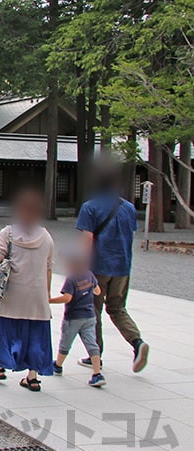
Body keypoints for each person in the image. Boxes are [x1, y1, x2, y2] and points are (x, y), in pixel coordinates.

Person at [76, 157, 148, 372]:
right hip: (123, 266)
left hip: (99, 266)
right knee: (117, 308)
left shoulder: (90, 207)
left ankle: (95, 355)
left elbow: (87, 239)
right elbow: (130, 235)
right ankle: (137, 342)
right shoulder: (128, 208)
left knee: (93, 310)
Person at [0, 188, 54, 391]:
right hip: (37, 296)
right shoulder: (46, 236)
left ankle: (0, 366)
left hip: (12, 295)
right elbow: (49, 267)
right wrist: (47, 293)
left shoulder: (8, 233)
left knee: (1, 332)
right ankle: (32, 377)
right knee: (35, 336)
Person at [50, 246, 106, 387]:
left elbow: (67, 298)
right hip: (90, 316)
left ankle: (57, 365)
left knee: (66, 342)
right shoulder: (89, 275)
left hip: (74, 317)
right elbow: (98, 291)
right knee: (92, 343)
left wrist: (49, 300)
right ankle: (97, 373)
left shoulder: (71, 279)